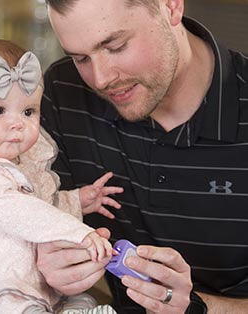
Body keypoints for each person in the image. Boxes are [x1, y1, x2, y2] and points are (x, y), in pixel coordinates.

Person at [38, 0, 248, 313]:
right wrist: (44, 268)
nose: (100, 79)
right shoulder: (62, 93)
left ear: (171, 7)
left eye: (116, 46)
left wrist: (198, 308)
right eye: (81, 58)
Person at [0, 39, 123, 313]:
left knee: (71, 302)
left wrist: (77, 201)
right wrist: (78, 233)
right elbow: (22, 212)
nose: (18, 123)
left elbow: (41, 206)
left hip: (25, 288)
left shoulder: (24, 169)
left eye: (28, 111)